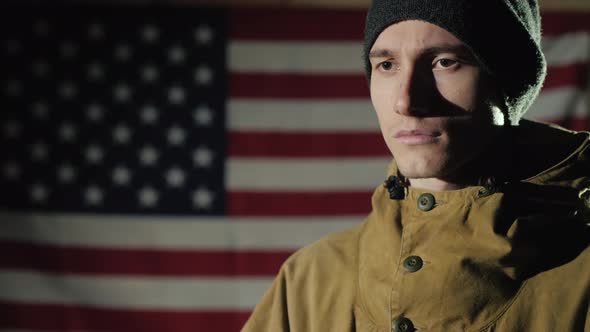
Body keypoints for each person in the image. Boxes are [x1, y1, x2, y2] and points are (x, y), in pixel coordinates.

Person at [242, 1, 590, 331]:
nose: (406, 100)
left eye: (444, 61)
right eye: (387, 65)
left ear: (507, 81)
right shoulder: (310, 280)